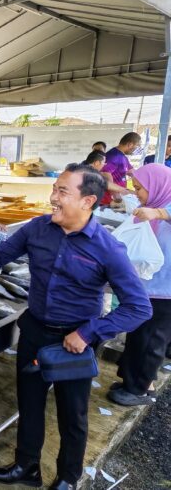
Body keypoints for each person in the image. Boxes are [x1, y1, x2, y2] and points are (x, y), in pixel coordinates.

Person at [0, 163, 152, 490]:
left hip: (75, 341)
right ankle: (26, 466)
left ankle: (67, 478)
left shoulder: (108, 248)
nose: (53, 197)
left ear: (87, 201)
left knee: (72, 415)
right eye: (55, 189)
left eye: (62, 191)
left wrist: (88, 334)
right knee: (29, 403)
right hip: (35, 330)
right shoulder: (38, 229)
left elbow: (139, 307)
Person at [109, 164, 171, 406]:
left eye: (139, 189)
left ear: (158, 186)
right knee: (139, 334)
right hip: (150, 286)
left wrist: (159, 213)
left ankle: (139, 391)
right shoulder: (152, 207)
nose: (137, 194)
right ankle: (133, 381)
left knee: (152, 339)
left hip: (166, 290)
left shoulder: (163, 208)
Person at [101, 132, 141, 204]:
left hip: (120, 195)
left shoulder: (123, 157)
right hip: (110, 200)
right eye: (136, 146)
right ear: (130, 145)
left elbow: (131, 172)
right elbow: (105, 174)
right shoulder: (114, 156)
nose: (136, 149)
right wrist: (115, 195)